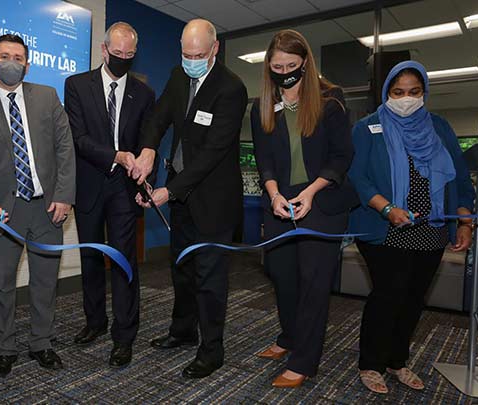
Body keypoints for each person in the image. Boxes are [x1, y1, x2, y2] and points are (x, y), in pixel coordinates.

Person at [348, 60, 474, 394]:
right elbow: (357, 177)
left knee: (414, 298)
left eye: (414, 92)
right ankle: (371, 363)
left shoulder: (440, 127)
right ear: (388, 92)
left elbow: (459, 179)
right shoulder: (367, 127)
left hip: (430, 229)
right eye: (398, 92)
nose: (406, 98)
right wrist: (386, 208)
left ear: (424, 93)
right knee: (388, 294)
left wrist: (465, 222)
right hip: (383, 227)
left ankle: (397, 360)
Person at [133, 19, 248, 379]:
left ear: (214, 49)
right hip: (181, 194)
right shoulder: (179, 76)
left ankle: (212, 350)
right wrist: (149, 148)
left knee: (210, 277)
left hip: (213, 199)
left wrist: (171, 190)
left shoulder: (231, 88)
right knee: (181, 268)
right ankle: (182, 331)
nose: (191, 60)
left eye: (198, 54)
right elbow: (159, 116)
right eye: (186, 53)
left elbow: (213, 153)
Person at [0, 34, 76, 378]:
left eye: (18, 56)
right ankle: (5, 347)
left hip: (47, 207)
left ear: (28, 63)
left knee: (44, 281)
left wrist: (64, 195)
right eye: (4, 55)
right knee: (2, 282)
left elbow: (65, 148)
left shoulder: (48, 97)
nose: (11, 61)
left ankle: (41, 343)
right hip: (4, 211)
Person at [251, 29, 357, 388]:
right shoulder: (262, 104)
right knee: (281, 275)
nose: (284, 73)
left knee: (314, 282)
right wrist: (273, 192)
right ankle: (289, 337)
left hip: (321, 201)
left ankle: (304, 361)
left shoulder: (331, 100)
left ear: (305, 62)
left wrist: (311, 192)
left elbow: (343, 156)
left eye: (291, 65)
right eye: (277, 66)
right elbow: (263, 158)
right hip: (279, 201)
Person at [64, 22, 155, 367]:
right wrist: (114, 155)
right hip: (89, 182)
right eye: (117, 54)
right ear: (104, 51)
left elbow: (149, 141)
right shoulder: (76, 85)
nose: (122, 60)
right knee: (90, 258)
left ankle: (124, 335)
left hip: (123, 188)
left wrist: (146, 173)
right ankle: (95, 322)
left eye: (129, 55)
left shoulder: (144, 93)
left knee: (122, 261)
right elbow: (77, 137)